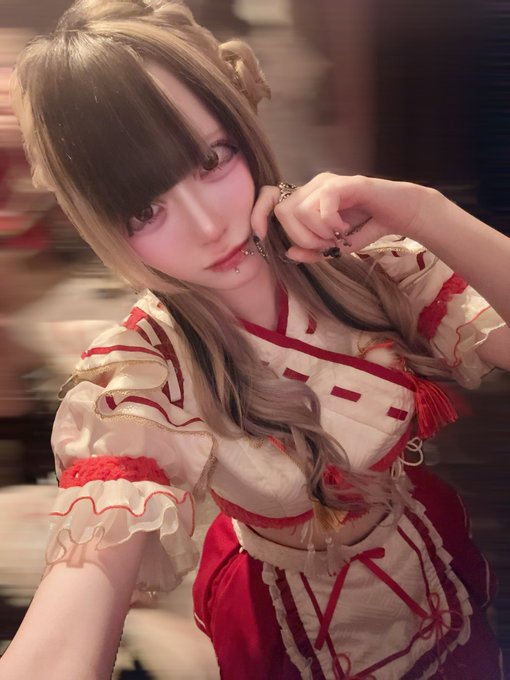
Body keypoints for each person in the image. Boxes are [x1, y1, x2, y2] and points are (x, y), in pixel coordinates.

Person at [2, 1, 510, 678]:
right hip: (289, 625)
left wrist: (422, 209)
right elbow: (74, 609)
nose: (207, 224)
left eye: (211, 159)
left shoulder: (366, 269)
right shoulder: (144, 372)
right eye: (144, 209)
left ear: (243, 128)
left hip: (425, 560)